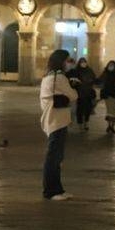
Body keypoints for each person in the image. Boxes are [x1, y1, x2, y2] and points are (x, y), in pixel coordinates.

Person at [39, 49, 77, 201]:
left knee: (56, 157)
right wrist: (73, 86)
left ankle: (58, 189)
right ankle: (51, 191)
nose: (69, 64)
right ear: (61, 61)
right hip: (57, 120)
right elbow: (73, 96)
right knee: (54, 157)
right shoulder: (59, 77)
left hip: (51, 119)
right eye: (67, 60)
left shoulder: (48, 76)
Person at [67, 58, 97, 131]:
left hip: (88, 93)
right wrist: (75, 82)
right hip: (79, 94)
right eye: (82, 62)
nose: (83, 63)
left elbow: (94, 79)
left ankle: (86, 123)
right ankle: (80, 124)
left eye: (84, 62)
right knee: (80, 110)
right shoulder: (76, 71)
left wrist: (91, 81)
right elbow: (72, 82)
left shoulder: (89, 70)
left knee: (87, 109)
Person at [98, 60, 115, 135]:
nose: (111, 67)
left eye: (112, 65)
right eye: (110, 65)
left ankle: (112, 126)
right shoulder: (105, 73)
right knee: (109, 110)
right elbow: (99, 80)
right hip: (107, 94)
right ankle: (109, 125)